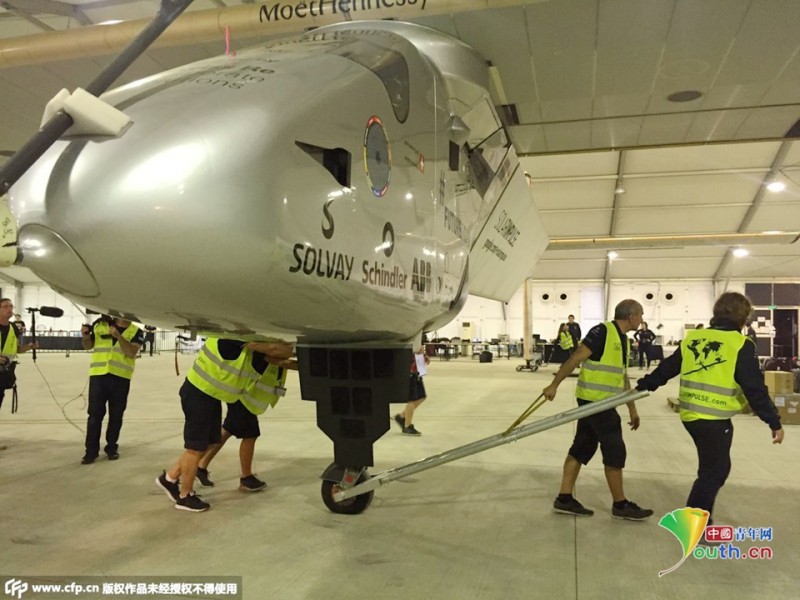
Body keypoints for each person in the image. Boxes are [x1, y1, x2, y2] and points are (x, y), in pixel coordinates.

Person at [636, 292, 783, 522]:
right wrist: (773, 420)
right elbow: (754, 387)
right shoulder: (740, 344)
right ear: (743, 317)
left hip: (690, 415)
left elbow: (668, 367)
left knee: (713, 468)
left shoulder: (695, 337)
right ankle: (694, 522)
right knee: (714, 472)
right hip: (713, 418)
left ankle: (700, 519)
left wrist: (647, 383)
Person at [543, 299, 653, 521]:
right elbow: (575, 358)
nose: (642, 319)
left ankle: (564, 498)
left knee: (582, 447)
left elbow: (622, 376)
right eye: (641, 314)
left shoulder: (623, 340)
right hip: (595, 403)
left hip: (602, 403)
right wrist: (554, 385)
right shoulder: (602, 332)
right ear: (631, 317)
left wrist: (632, 408)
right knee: (615, 450)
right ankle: (620, 504)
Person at [156, 338, 295, 512]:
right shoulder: (236, 337)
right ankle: (185, 496)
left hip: (212, 394)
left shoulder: (246, 341)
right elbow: (274, 350)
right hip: (199, 391)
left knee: (209, 442)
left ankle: (169, 478)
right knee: (195, 447)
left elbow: (274, 356)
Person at [196, 345, 297, 491]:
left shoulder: (265, 344)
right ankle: (246, 478)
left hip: (244, 393)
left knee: (228, 429)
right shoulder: (262, 346)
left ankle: (200, 466)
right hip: (242, 393)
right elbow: (274, 355)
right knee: (251, 434)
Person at [80, 315, 144, 464]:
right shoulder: (100, 325)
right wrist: (86, 335)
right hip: (99, 376)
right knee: (94, 415)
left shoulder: (136, 331)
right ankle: (91, 452)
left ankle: (111, 448)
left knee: (116, 416)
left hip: (120, 377)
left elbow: (131, 352)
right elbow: (88, 346)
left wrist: (118, 336)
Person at [0, 299, 37, 413]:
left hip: (3, 373)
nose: (9, 309)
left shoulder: (13, 328)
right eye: (5, 306)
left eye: (11, 306)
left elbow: (16, 349)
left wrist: (28, 347)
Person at [393, 346, 430, 436]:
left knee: (421, 397)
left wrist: (423, 356)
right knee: (413, 400)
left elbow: (418, 350)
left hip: (416, 371)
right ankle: (407, 426)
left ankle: (402, 416)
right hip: (409, 372)